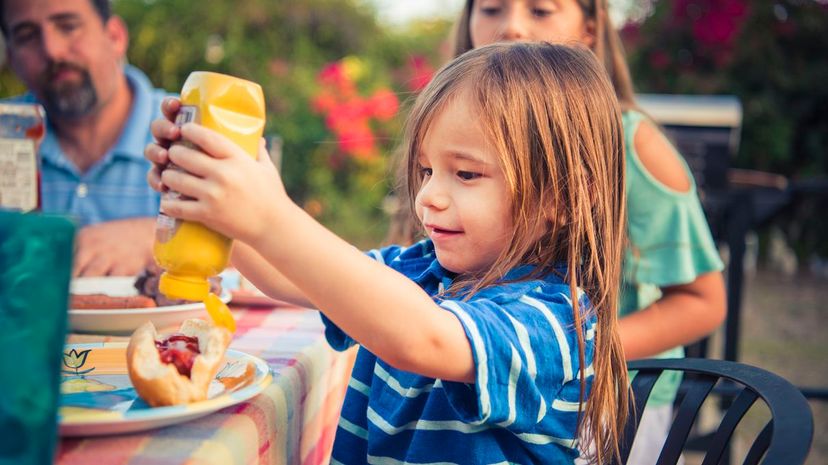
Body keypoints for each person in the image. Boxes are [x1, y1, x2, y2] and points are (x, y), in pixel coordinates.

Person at [146, 42, 629, 464]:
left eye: (465, 174)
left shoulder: (555, 320)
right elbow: (289, 274)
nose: (429, 198)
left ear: (563, 197)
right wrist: (216, 203)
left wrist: (269, 216)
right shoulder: (422, 269)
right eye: (425, 171)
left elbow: (424, 339)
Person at [396, 1, 722, 463]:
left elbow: (703, 300)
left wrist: (561, 353)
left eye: (541, 10)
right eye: (490, 8)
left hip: (606, 401)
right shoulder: (453, 134)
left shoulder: (630, 144)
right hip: (476, 381)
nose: (510, 27)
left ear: (590, 29)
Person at [0, 0, 168, 276]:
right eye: (27, 36)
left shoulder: (188, 129)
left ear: (115, 37)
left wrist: (157, 238)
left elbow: (256, 242)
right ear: (12, 59)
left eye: (68, 26)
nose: (52, 51)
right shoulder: (6, 136)